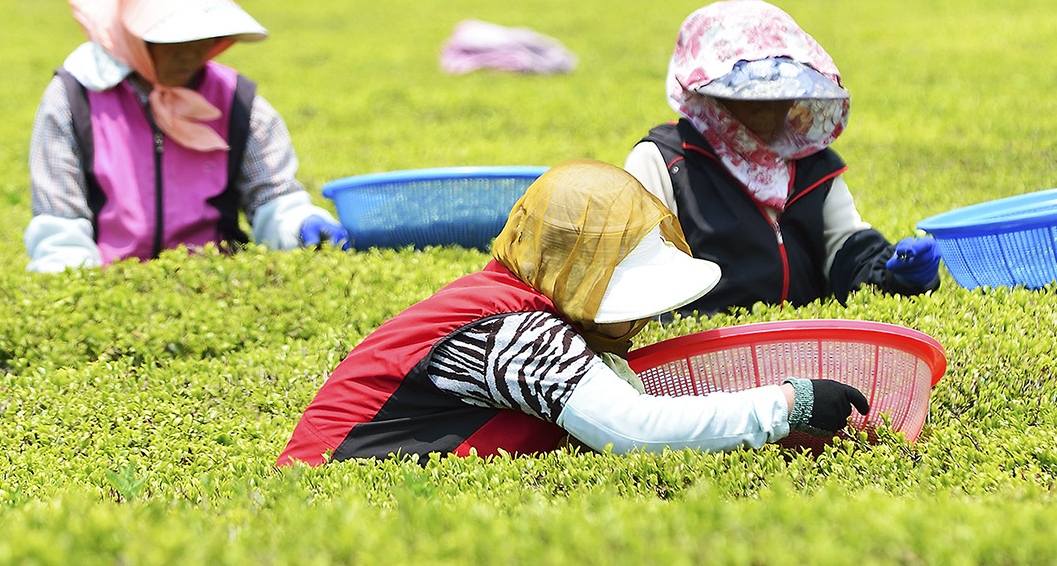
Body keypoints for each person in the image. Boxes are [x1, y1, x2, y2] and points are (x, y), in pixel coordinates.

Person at [278, 160, 869, 465]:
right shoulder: (514, 331)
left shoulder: (510, 301)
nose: (642, 323)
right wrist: (787, 406)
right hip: (337, 492)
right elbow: (633, 431)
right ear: (578, 279)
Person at [24, 0, 347, 272]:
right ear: (131, 34)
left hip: (216, 283)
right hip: (110, 281)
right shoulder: (74, 100)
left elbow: (274, 201)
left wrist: (302, 226)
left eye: (204, 35)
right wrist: (83, 289)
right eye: (174, 37)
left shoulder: (239, 102)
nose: (191, 53)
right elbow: (60, 226)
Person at [622, 0, 939, 315]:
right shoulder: (663, 162)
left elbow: (846, 248)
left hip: (805, 341)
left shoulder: (813, 163)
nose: (771, 109)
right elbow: (639, 279)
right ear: (706, 93)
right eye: (750, 94)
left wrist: (896, 273)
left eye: (781, 91)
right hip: (707, 344)